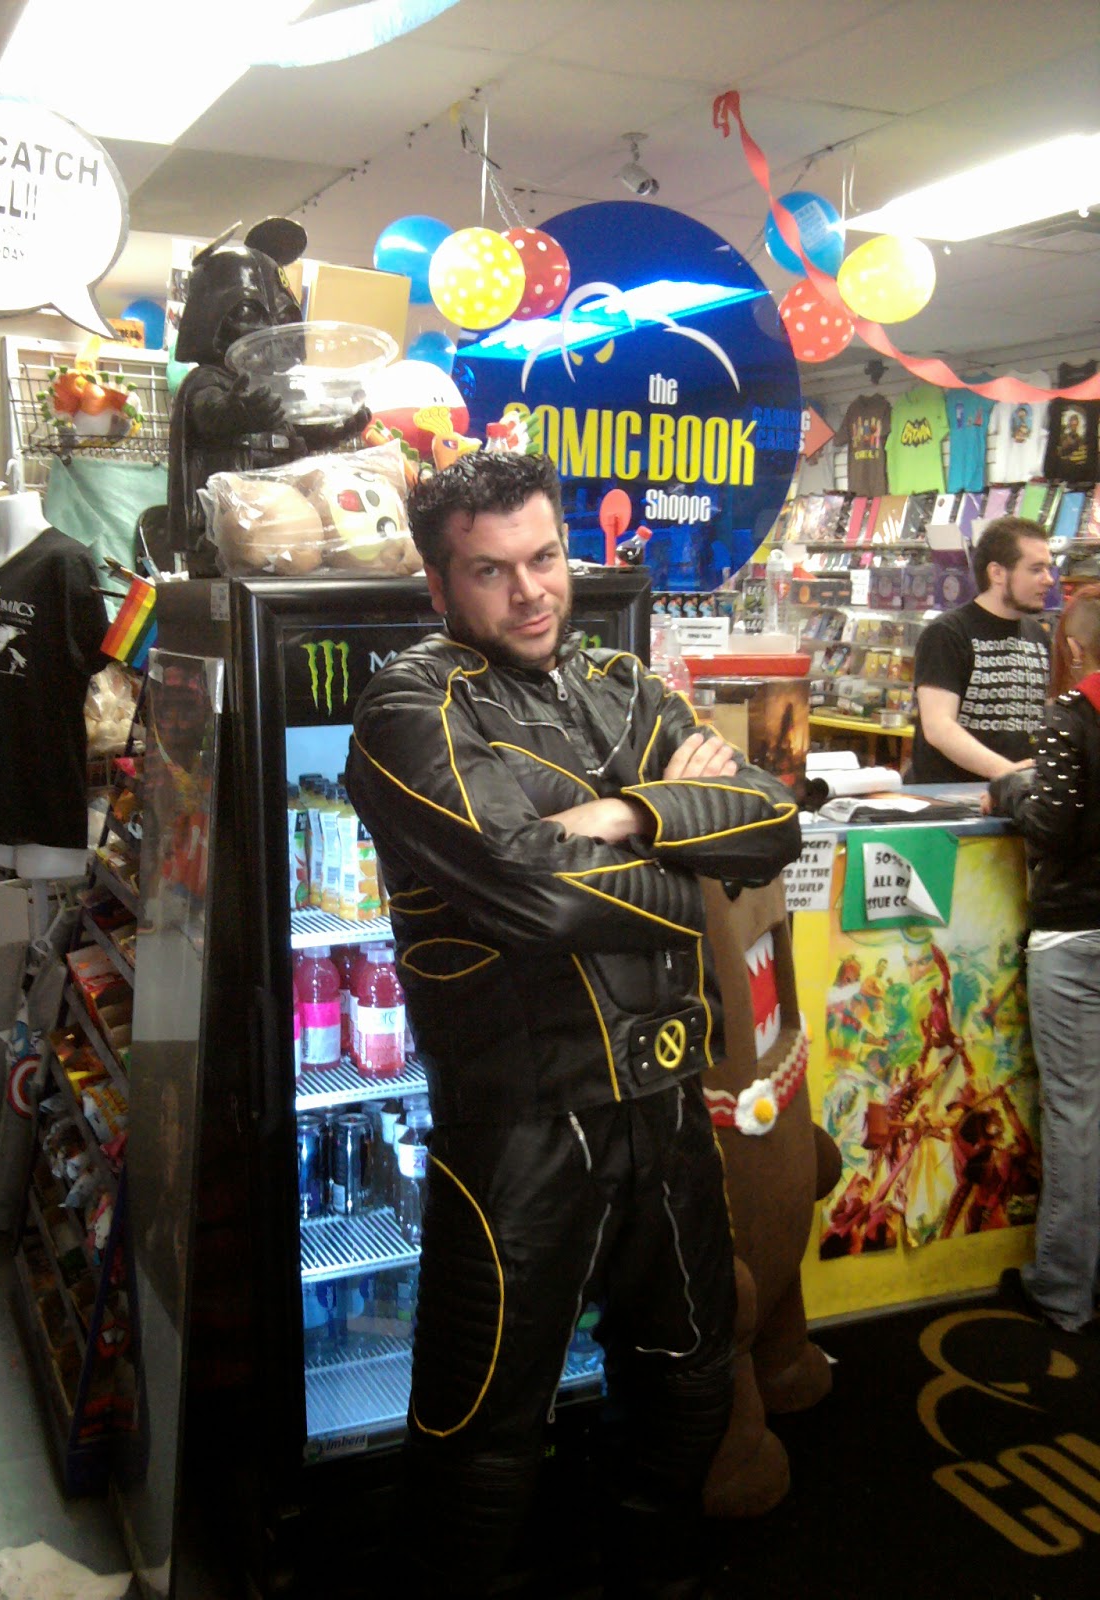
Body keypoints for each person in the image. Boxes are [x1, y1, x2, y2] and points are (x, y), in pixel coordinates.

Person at [344, 453, 802, 1596]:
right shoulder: (409, 705)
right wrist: (678, 845)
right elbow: (534, 891)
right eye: (490, 571)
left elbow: (769, 824)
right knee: (481, 1436)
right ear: (439, 585)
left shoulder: (624, 685)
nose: (530, 591)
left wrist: (621, 814)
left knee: (690, 1384)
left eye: (544, 557)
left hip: (666, 1111)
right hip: (520, 1129)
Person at [985, 583, 1100, 1335]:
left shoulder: (1070, 717)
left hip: (1074, 935)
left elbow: (1052, 827)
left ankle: (1061, 1289)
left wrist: (1009, 792)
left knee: (1074, 1112)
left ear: (1075, 647)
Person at [911, 515, 1053, 783]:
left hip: (1012, 797)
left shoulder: (1037, 635)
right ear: (997, 573)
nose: (1049, 580)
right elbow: (938, 726)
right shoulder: (948, 633)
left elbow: (1042, 718)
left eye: (1048, 568)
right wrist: (1008, 773)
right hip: (950, 798)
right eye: (1036, 569)